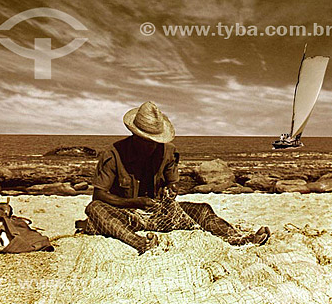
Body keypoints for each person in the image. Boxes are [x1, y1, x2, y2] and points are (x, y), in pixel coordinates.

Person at [76, 101, 270, 254]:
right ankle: (140, 243)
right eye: (147, 141)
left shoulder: (169, 152)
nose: (153, 146)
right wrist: (133, 202)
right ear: (135, 136)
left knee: (203, 209)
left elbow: (173, 184)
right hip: (128, 216)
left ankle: (239, 239)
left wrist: (171, 191)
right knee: (94, 209)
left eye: (156, 141)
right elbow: (99, 195)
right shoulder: (114, 153)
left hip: (161, 215)